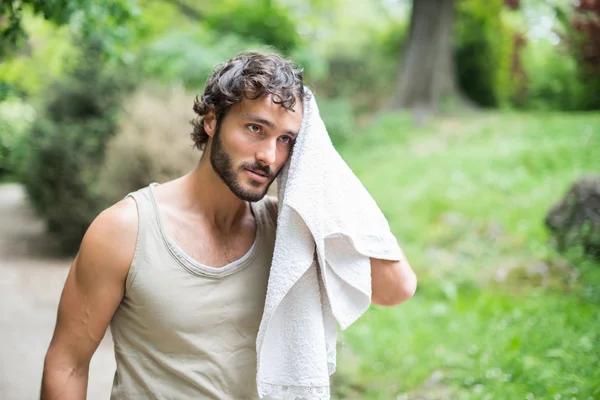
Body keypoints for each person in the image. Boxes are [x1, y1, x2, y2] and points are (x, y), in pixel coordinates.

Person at [40, 51, 417, 399]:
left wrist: (328, 172)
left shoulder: (291, 234)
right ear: (211, 120)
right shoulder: (125, 229)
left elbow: (395, 288)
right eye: (256, 128)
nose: (269, 156)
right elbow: (67, 363)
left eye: (286, 140)